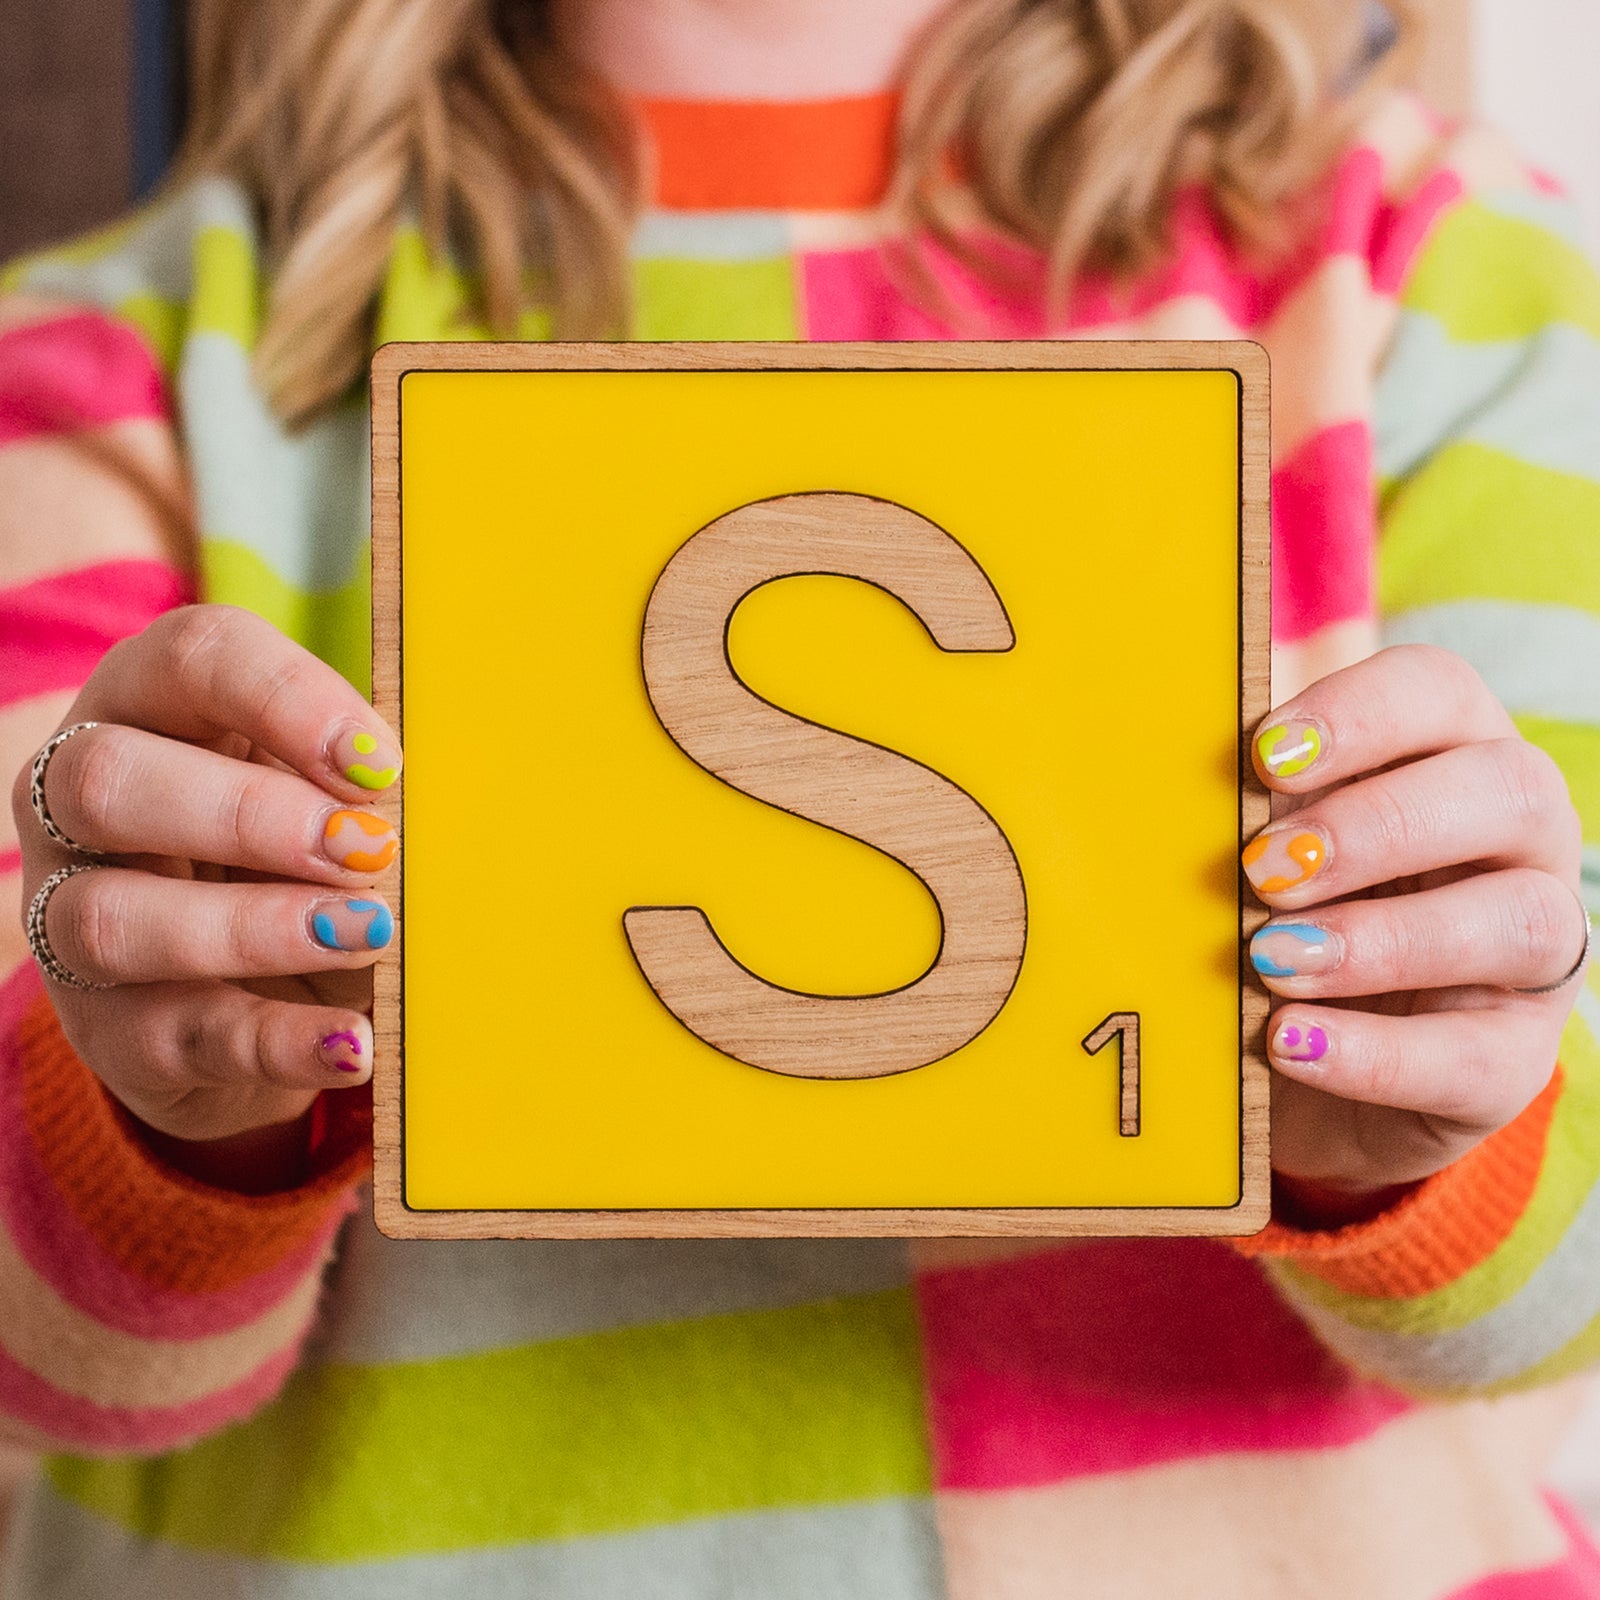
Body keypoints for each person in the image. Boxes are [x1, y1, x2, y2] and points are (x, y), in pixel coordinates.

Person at [1, 0, 1599, 1593]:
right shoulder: (99, 362)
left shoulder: (1438, 269)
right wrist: (173, 1125)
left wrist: (1409, 1125)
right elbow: (32, 1356)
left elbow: (1574, 1275)